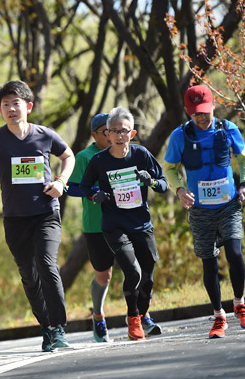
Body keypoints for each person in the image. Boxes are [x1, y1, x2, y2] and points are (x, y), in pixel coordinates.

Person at [0, 80, 75, 352]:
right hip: (15, 219)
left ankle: (59, 328)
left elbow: (68, 156)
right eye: (5, 105)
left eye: (16, 103)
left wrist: (61, 182)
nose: (11, 109)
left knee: (47, 265)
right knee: (29, 275)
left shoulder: (44, 135)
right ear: (1, 110)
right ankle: (46, 328)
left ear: (28, 106)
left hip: (46, 213)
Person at [164, 85, 245, 338]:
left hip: (228, 204)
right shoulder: (179, 136)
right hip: (200, 209)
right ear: (187, 112)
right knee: (209, 262)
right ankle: (218, 315)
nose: (202, 118)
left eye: (205, 112)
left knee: (235, 253)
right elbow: (169, 168)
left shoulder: (227, 129)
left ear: (213, 105)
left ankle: (240, 303)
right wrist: (180, 191)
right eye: (196, 114)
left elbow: (244, 157)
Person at [79, 106, 168, 341]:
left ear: (133, 133)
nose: (119, 136)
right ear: (107, 134)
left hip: (141, 224)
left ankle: (142, 312)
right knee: (133, 271)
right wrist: (94, 195)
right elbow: (85, 186)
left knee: (148, 277)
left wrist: (152, 182)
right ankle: (134, 319)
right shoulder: (99, 161)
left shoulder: (141, 155)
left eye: (123, 131)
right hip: (114, 225)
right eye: (114, 131)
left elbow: (163, 184)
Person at [67, 112, 116, 342]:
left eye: (113, 130)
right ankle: (98, 315)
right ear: (94, 134)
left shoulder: (122, 151)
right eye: (105, 131)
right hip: (96, 224)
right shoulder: (85, 156)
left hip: (126, 220)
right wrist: (93, 191)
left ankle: (140, 317)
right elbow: (71, 187)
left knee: (139, 268)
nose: (110, 135)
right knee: (104, 276)